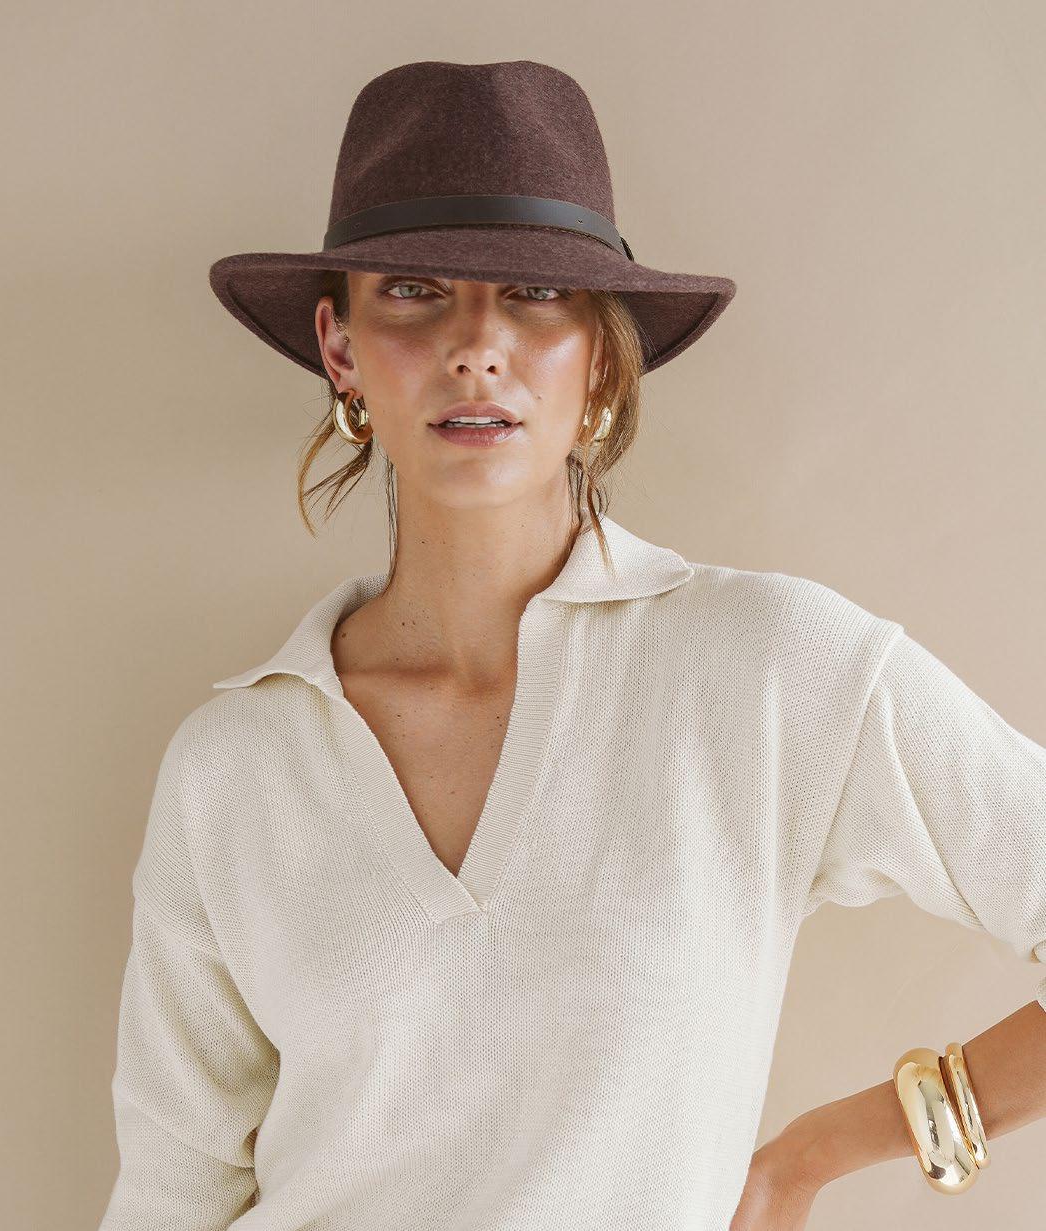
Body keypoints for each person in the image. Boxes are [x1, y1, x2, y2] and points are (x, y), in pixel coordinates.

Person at [98, 60, 1046, 1231]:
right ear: (340, 350)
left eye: (537, 294)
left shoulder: (767, 671)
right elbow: (172, 1190)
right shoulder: (233, 765)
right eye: (414, 291)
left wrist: (815, 1153)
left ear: (600, 352)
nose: (476, 344)